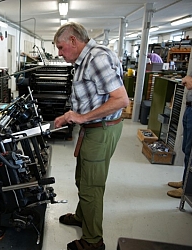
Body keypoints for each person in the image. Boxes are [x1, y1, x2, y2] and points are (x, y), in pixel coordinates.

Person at [53, 22, 129, 250]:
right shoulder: (87, 59)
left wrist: (83, 118)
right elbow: (94, 97)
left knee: (91, 186)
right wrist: (70, 115)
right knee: (83, 178)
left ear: (74, 41)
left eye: (61, 47)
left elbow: (121, 100)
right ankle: (82, 215)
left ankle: (93, 240)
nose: (59, 52)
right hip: (95, 128)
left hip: (100, 129)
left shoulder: (96, 58)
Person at [167, 61, 192, 198]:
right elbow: (189, 81)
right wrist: (189, 79)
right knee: (187, 148)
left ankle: (187, 188)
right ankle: (185, 181)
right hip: (190, 107)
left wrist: (188, 80)